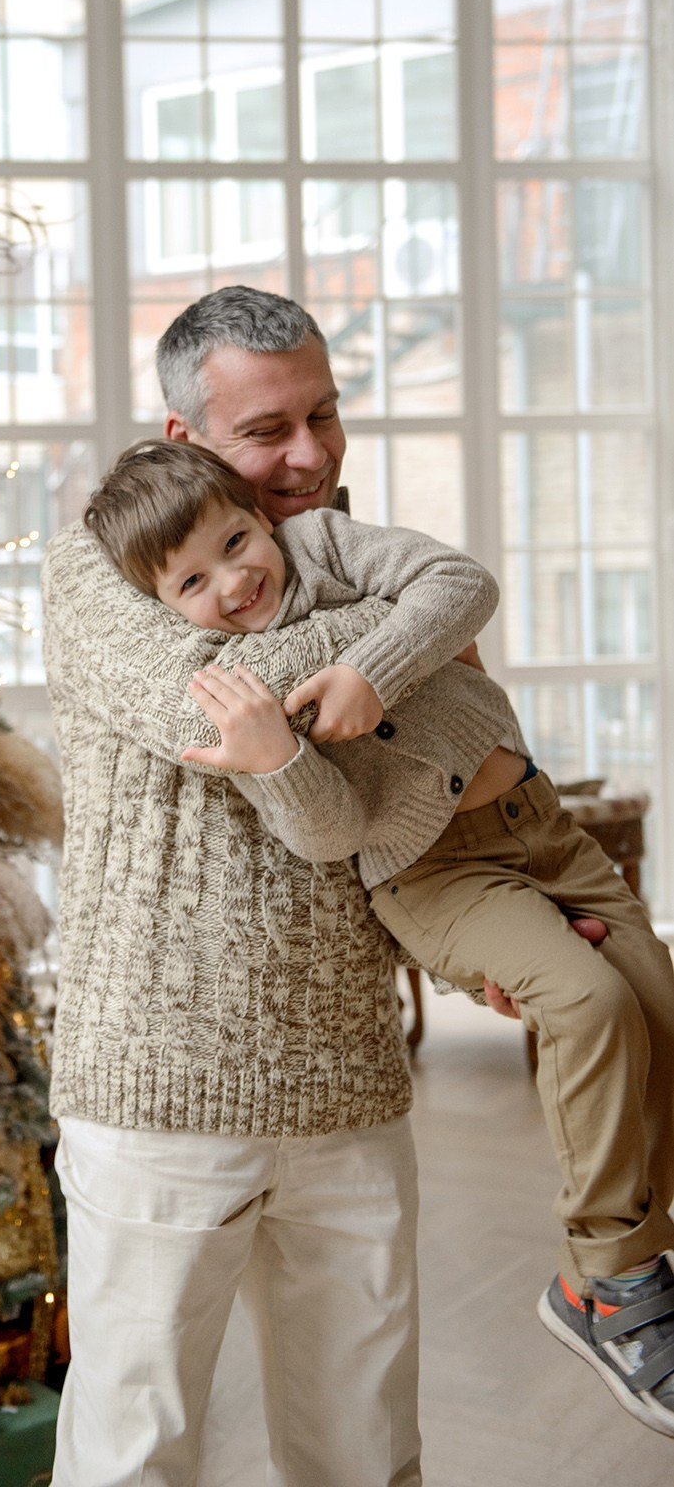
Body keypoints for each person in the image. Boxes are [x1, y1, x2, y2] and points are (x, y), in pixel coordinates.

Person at [84, 434, 674, 1441]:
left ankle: (648, 1252)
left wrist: (372, 662)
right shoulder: (230, 683)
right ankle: (606, 1284)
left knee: (657, 1009)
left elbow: (459, 582)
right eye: (192, 581)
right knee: (589, 1003)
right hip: (430, 874)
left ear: (260, 515)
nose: (234, 582)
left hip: (542, 828)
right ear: (161, 603)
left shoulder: (323, 543)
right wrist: (274, 761)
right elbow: (331, 835)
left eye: (235, 541)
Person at [43, 288, 438, 1487]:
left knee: (366, 1452)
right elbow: (200, 701)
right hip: (160, 1089)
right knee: (136, 1453)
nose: (309, 453)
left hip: (349, 1079)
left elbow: (421, 779)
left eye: (323, 414)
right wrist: (391, 631)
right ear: (183, 440)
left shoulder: (349, 564)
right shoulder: (94, 565)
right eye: (267, 431)